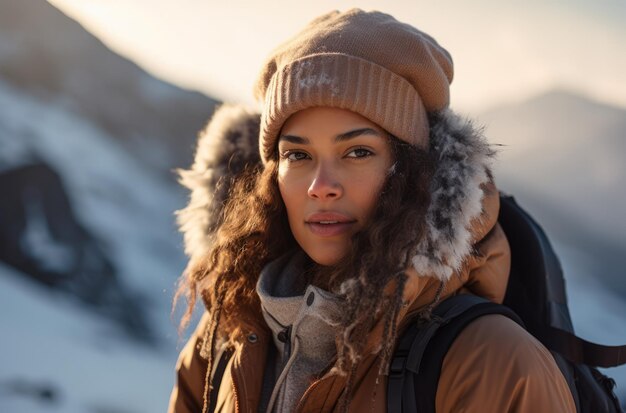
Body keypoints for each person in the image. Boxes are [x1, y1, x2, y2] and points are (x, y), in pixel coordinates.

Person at [168, 9, 576, 413]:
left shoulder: (491, 362)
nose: (320, 186)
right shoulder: (227, 339)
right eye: (298, 154)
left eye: (358, 152)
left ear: (413, 172)